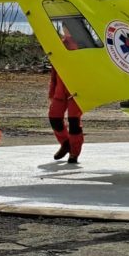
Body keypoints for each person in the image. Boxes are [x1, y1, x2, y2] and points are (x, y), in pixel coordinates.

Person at [47, 32, 84, 162]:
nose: (66, 30)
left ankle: (74, 153)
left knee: (74, 121)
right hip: (60, 90)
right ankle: (66, 143)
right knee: (54, 118)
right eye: (64, 27)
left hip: (76, 91)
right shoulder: (58, 45)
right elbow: (54, 71)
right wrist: (52, 90)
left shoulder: (84, 45)